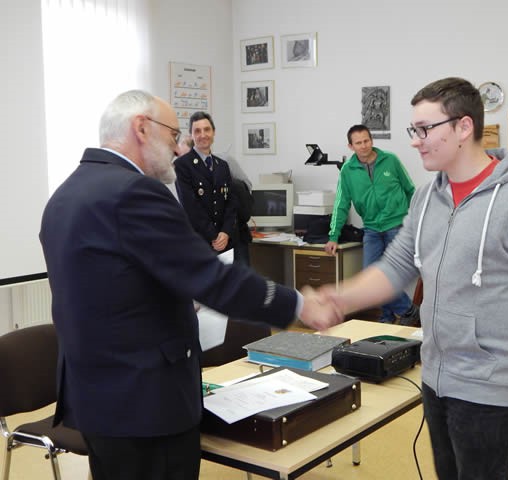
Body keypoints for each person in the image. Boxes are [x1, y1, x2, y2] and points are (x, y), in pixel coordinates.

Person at [39, 90, 341, 480]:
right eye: (173, 135)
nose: (178, 148)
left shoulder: (65, 195)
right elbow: (212, 277)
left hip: (97, 398)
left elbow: (113, 286)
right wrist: (297, 304)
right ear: (141, 128)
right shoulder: (134, 192)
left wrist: (175, 291)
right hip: (147, 401)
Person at [320, 78, 508, 479]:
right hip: (437, 381)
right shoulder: (427, 198)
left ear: (463, 127)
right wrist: (337, 299)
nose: (415, 141)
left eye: (425, 129)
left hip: (493, 391)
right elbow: (395, 266)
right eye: (414, 129)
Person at [324, 124, 419, 325]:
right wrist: (334, 236)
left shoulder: (390, 160)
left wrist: (416, 220)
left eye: (366, 140)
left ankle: (387, 317)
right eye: (358, 143)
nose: (364, 145)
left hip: (397, 225)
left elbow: (410, 190)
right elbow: (341, 203)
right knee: (371, 274)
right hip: (371, 229)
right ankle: (406, 310)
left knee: (390, 275)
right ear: (351, 146)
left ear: (372, 140)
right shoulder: (347, 171)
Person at [173, 112, 236, 254]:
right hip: (199, 242)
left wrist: (226, 232)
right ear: (191, 135)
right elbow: (191, 207)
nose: (203, 135)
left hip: (224, 242)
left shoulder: (222, 166)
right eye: (197, 131)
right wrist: (214, 236)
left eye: (207, 129)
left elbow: (231, 202)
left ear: (214, 132)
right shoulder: (182, 165)